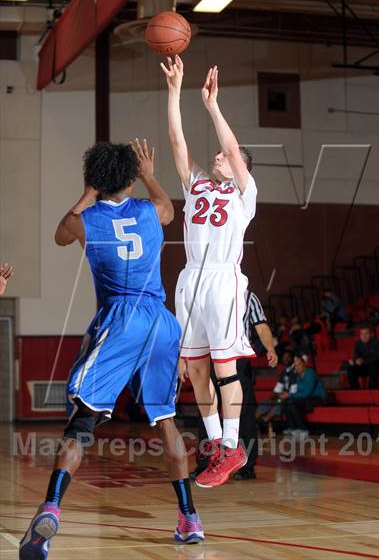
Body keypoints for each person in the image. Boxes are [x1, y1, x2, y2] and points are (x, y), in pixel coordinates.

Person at [19, 140, 204, 560]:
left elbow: (60, 232)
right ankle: (190, 518)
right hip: (160, 319)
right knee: (167, 423)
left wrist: (88, 191)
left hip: (121, 320)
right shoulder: (149, 212)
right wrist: (150, 174)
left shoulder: (89, 221)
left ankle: (50, 509)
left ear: (96, 179)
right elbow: (169, 208)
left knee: (81, 425)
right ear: (129, 178)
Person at [162, 56, 257, 488]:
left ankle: (235, 445)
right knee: (197, 370)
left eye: (226, 156)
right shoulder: (197, 185)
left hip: (222, 280)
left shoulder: (244, 193)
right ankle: (218, 444)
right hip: (190, 281)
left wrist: (212, 106)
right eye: (216, 154)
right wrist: (175, 93)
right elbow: (178, 144)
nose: (219, 156)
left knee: (225, 370)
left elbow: (235, 151)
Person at [190, 290, 278, 481]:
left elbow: (261, 326)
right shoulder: (207, 291)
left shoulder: (249, 297)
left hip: (238, 360)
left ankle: (247, 466)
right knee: (207, 411)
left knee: (244, 412)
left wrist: (270, 348)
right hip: (211, 356)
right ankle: (206, 463)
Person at [278, 355, 326, 438]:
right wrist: (287, 395)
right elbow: (296, 391)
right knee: (286, 402)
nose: (297, 367)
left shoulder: (310, 373)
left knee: (293, 402)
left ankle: (303, 428)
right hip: (304, 398)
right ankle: (293, 427)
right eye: (295, 365)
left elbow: (307, 392)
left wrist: (290, 395)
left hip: (317, 398)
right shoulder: (297, 377)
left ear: (304, 364)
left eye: (299, 364)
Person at [255, 350, 296, 427]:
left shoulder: (295, 371)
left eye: (288, 357)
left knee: (280, 404)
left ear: (292, 358)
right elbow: (277, 390)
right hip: (281, 397)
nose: (286, 359)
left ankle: (264, 421)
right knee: (266, 402)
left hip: (291, 399)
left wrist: (281, 397)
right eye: (284, 357)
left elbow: (294, 392)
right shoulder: (284, 372)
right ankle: (253, 422)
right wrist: (272, 398)